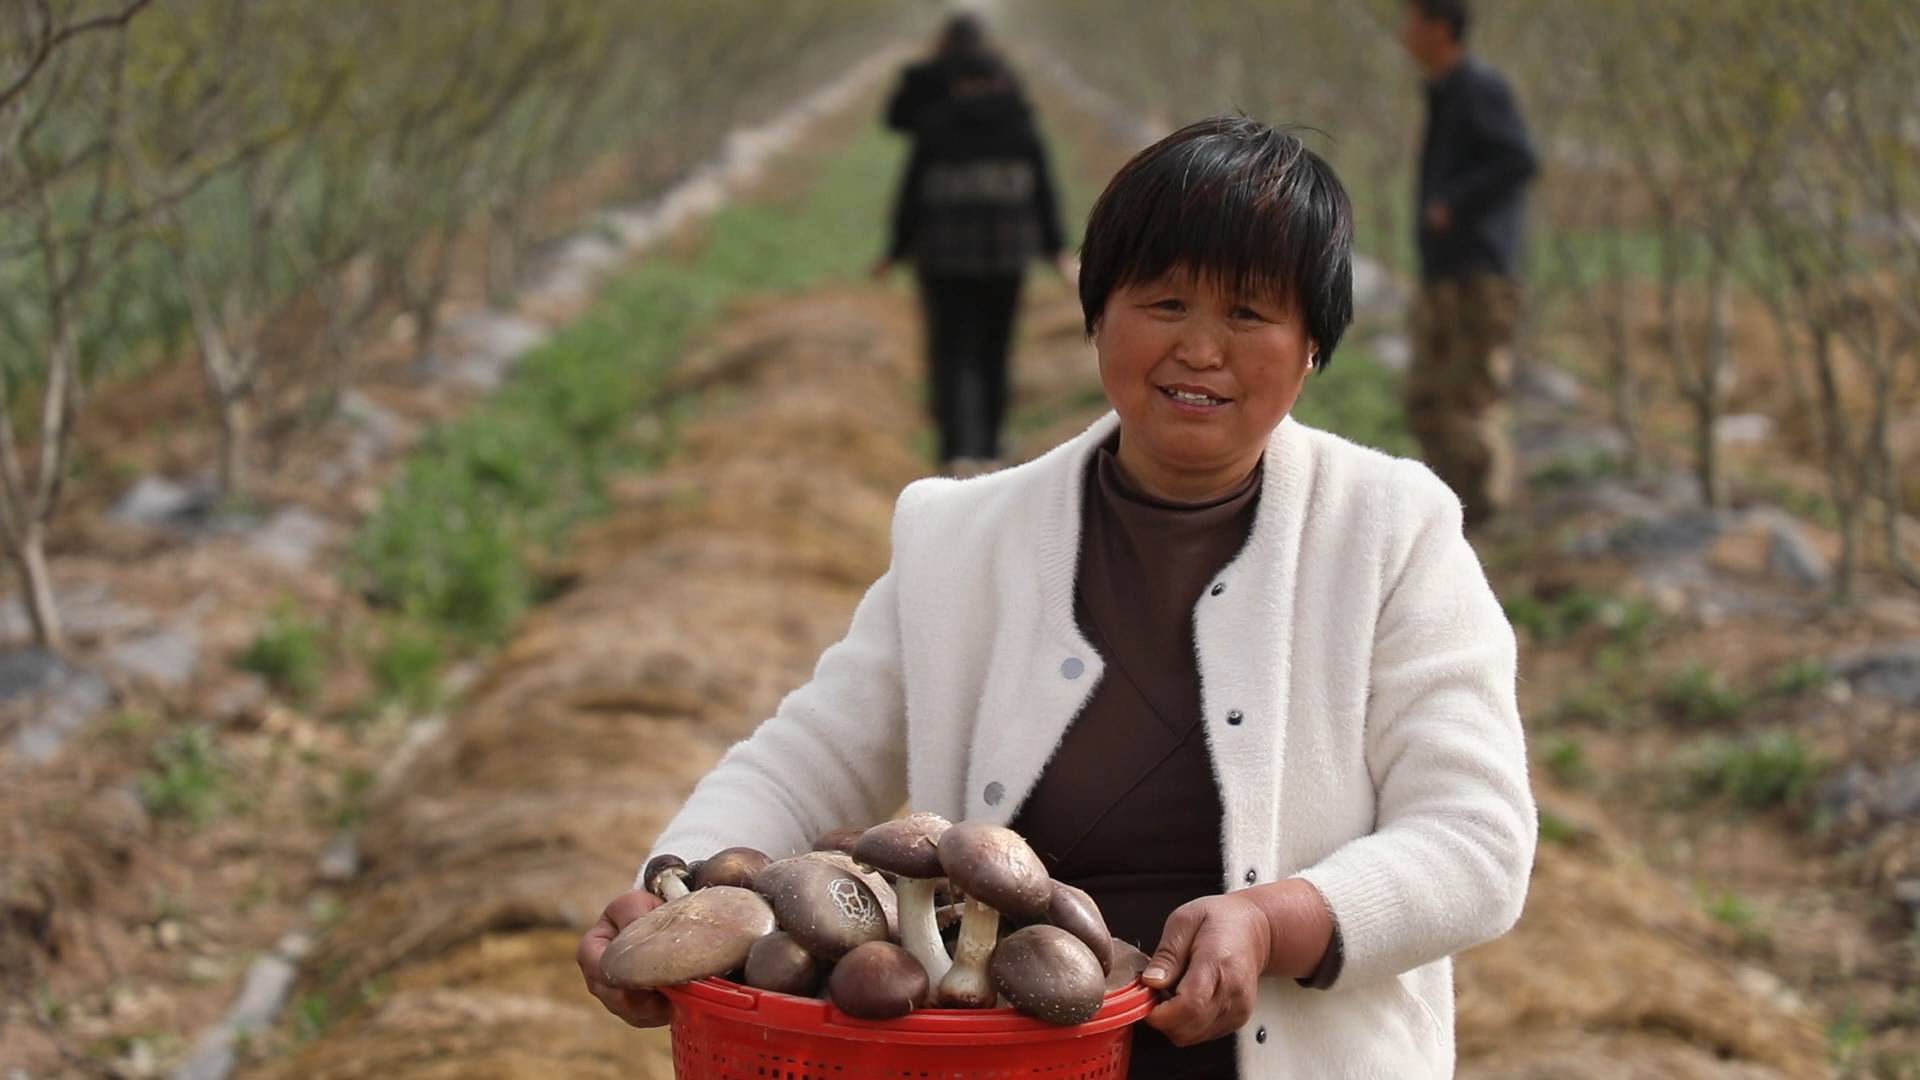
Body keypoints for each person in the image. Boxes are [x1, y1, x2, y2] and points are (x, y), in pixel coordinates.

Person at [580, 117, 1536, 1078]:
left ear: (1313, 345)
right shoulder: (961, 539)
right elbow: (807, 760)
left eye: (1249, 315)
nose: (1200, 349)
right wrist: (671, 891)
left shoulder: (1391, 532)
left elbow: (1475, 839)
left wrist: (1274, 923)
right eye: (1163, 302)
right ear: (1097, 314)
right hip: (1006, 1057)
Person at [873, 16, 1070, 475]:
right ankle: (990, 445)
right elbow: (1044, 189)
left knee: (951, 349)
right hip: (1007, 256)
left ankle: (956, 449)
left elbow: (911, 192)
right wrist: (1055, 248)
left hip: (944, 257)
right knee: (995, 346)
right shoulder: (1020, 126)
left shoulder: (936, 128)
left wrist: (896, 249)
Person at [1400, 0, 1539, 528]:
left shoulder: (1479, 88)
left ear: (1439, 29)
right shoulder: (1444, 89)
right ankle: (1447, 512)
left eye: (1411, 21)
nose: (1403, 33)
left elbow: (1517, 158)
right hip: (1445, 272)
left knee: (1471, 397)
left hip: (1479, 273)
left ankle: (1484, 518)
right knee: (1428, 398)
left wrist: (1451, 204)